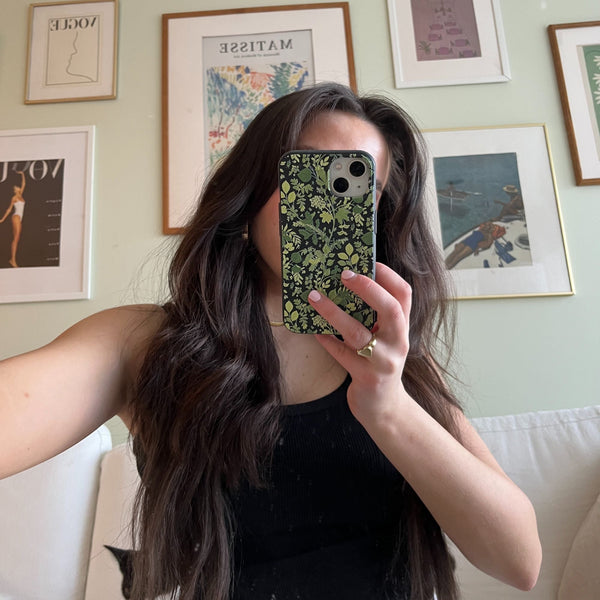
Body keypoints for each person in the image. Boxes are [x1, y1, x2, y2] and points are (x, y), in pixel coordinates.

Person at [0, 83, 541, 600]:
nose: (326, 201)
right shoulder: (142, 345)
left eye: (358, 185)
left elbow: (519, 562)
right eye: (306, 170)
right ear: (251, 190)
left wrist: (390, 407)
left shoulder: (398, 362)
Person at [0, 170, 26, 267]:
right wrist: (2, 219)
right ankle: (13, 260)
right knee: (16, 238)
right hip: (16, 217)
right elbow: (9, 209)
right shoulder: (14, 198)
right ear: (15, 190)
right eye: (15, 188)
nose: (17, 188)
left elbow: (24, 184)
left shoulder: (21, 195)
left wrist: (22, 174)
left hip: (19, 218)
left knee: (16, 239)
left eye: (17, 187)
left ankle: (12, 259)